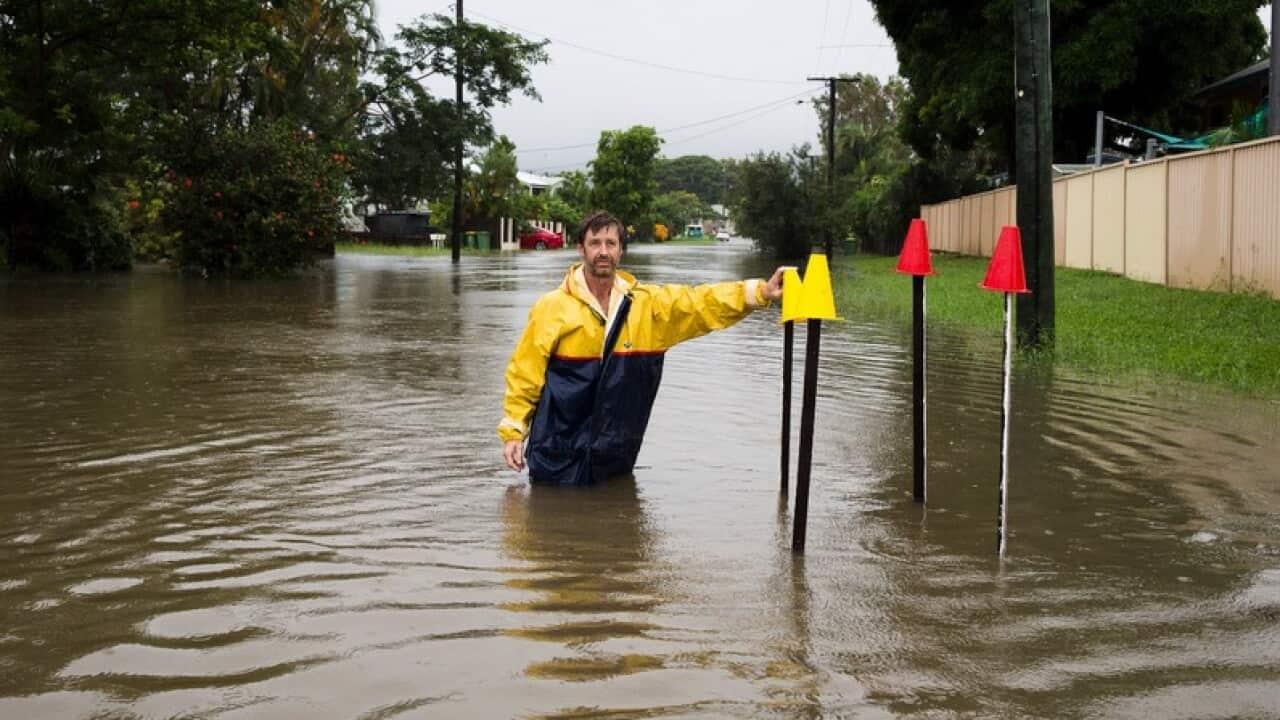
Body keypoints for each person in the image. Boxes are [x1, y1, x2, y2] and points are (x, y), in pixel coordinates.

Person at [499, 209, 785, 485]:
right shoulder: (552, 307)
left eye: (611, 243)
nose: (603, 251)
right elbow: (526, 372)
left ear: (621, 250)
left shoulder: (647, 307)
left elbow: (700, 304)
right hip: (554, 454)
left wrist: (761, 292)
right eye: (594, 243)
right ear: (581, 249)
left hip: (614, 458)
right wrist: (514, 432)